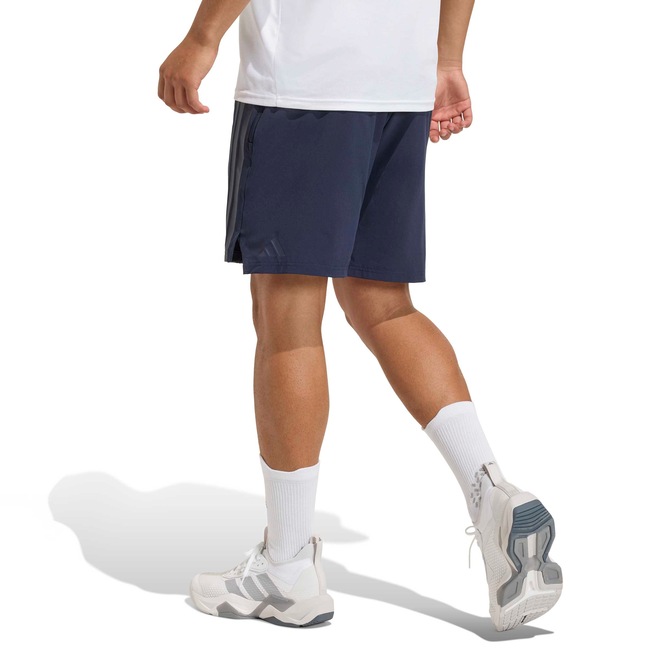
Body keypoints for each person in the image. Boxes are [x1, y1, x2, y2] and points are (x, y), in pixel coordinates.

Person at [157, 0, 562, 632]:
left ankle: (287, 567)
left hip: (305, 86)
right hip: (397, 87)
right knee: (385, 306)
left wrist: (202, 37)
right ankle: (492, 493)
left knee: (287, 318)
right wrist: (446, 58)